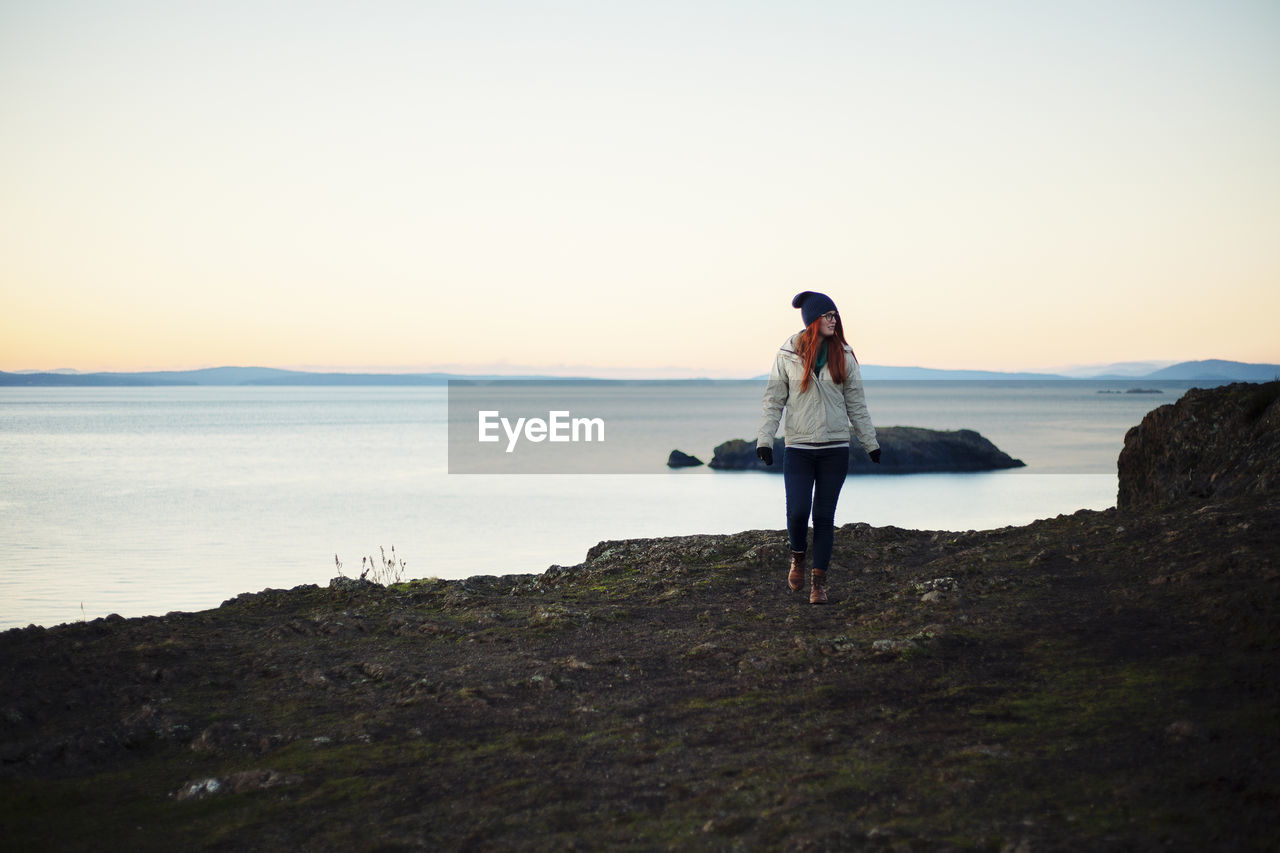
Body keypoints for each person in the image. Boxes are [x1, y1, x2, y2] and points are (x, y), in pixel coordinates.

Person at [756, 291, 880, 604]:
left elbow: (857, 405)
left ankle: (819, 584)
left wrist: (870, 442)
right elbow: (774, 400)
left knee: (824, 517)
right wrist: (765, 440)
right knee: (798, 513)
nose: (833, 320)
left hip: (835, 448)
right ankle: (797, 557)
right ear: (813, 321)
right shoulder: (787, 355)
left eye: (835, 315)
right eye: (827, 316)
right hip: (798, 448)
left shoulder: (845, 355)